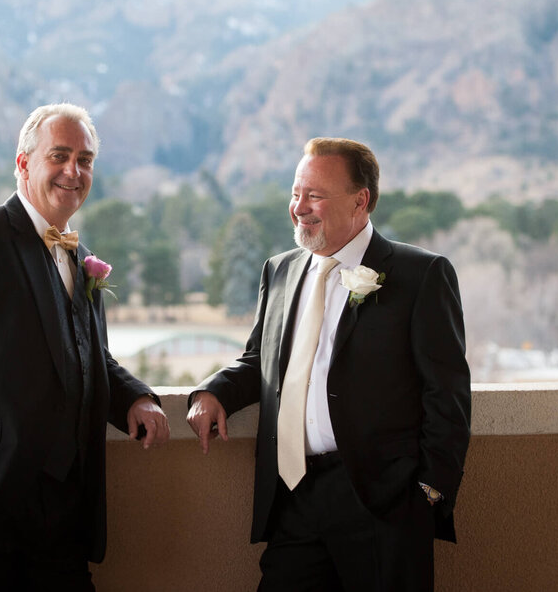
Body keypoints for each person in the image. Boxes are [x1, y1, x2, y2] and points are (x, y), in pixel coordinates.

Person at [0, 102, 170, 591]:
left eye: (85, 160)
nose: (74, 170)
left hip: (64, 517)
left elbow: (87, 354)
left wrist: (135, 398)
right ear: (23, 164)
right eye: (59, 155)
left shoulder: (79, 255)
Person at [187, 137, 470, 591]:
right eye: (296, 193)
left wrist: (427, 495)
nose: (299, 207)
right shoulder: (279, 270)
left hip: (383, 505)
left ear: (362, 200)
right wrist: (214, 390)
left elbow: (448, 396)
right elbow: (262, 359)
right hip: (294, 498)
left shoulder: (421, 275)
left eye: (315, 195)